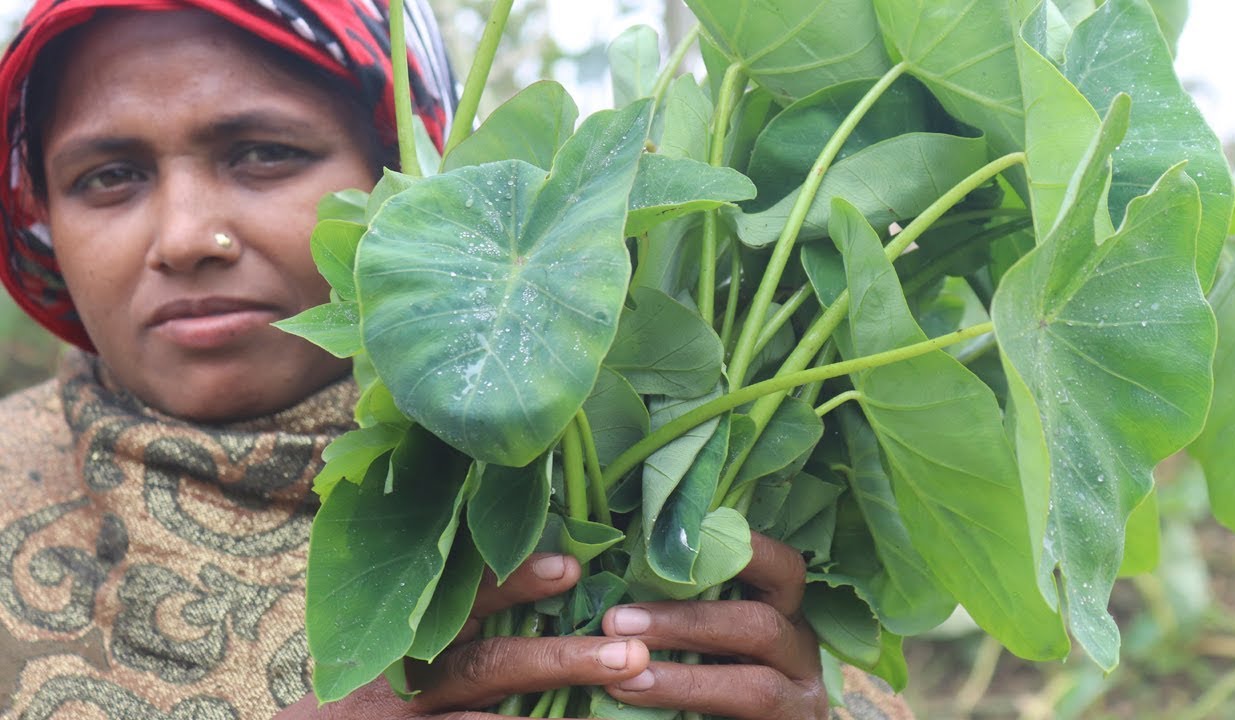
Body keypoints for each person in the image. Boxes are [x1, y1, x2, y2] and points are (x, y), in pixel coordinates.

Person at [0, 1, 915, 718]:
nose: (188, 236)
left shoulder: (602, 475)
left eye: (263, 154)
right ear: (42, 210)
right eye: (108, 176)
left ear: (410, 176)